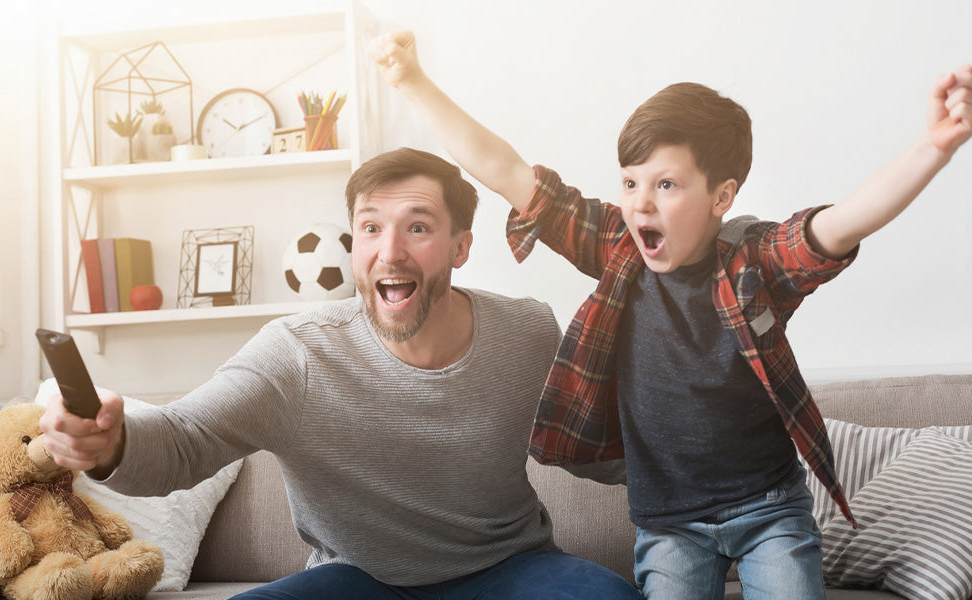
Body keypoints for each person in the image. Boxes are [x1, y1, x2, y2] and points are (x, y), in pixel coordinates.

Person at [370, 30, 972, 599]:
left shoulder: (754, 264)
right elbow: (504, 170)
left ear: (721, 197)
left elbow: (843, 223)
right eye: (631, 183)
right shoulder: (616, 249)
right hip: (670, 524)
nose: (639, 204)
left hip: (769, 508)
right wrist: (414, 81)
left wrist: (934, 146)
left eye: (666, 186)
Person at [40, 147, 639, 600]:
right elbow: (185, 439)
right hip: (355, 581)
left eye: (419, 226)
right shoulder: (298, 353)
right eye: (372, 227)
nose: (390, 251)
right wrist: (110, 442)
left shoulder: (528, 334)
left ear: (461, 247)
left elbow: (603, 446)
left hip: (508, 570)